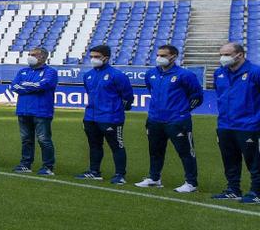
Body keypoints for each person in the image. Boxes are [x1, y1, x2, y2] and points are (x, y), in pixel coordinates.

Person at [137, 44, 202, 193]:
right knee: (155, 151)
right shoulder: (151, 74)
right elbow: (151, 90)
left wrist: (183, 112)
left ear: (173, 57)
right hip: (154, 120)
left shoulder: (185, 75)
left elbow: (197, 96)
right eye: (158, 55)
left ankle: (191, 183)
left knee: (186, 152)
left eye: (164, 55)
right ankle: (154, 179)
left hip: (177, 121)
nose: (159, 58)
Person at [211, 40, 259, 203]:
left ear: (240, 54)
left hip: (249, 125)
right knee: (230, 160)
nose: (223, 58)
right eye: (221, 55)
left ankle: (256, 192)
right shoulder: (219, 73)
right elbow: (220, 94)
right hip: (225, 124)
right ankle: (233, 189)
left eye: (226, 55)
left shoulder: (255, 72)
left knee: (254, 161)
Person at [77, 43, 131, 184]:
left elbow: (127, 97)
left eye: (97, 57)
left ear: (106, 58)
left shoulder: (117, 75)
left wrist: (115, 110)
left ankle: (120, 175)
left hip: (111, 118)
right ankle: (94, 171)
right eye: (92, 57)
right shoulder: (88, 75)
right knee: (94, 145)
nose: (93, 59)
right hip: (90, 117)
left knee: (116, 146)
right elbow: (90, 93)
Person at [9, 45, 58, 175]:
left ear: (42, 57)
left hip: (41, 111)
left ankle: (48, 166)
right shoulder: (23, 71)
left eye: (33, 54)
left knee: (44, 140)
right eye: (29, 54)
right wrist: (32, 86)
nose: (30, 57)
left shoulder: (50, 72)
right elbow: (14, 86)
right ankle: (26, 164)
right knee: (26, 140)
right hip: (23, 111)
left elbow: (43, 85)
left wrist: (25, 86)